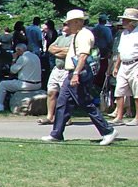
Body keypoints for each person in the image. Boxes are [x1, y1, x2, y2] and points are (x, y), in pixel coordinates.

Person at [41, 9, 116, 145]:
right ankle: (57, 133)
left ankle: (108, 131)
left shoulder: (84, 35)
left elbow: (83, 55)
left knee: (85, 103)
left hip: (78, 73)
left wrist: (76, 74)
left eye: (69, 23)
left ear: (78, 22)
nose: (67, 25)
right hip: (71, 73)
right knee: (62, 103)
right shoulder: (78, 34)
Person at [108, 7, 138, 125]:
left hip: (135, 63)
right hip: (124, 64)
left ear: (132, 21)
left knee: (136, 91)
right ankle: (119, 116)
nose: (123, 22)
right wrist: (116, 66)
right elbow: (120, 51)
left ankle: (136, 118)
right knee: (119, 90)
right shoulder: (124, 34)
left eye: (125, 19)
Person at [0, 43, 41, 111]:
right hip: (38, 84)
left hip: (26, 84)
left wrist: (14, 59)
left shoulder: (22, 58)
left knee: (3, 84)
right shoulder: (36, 56)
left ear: (19, 50)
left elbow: (12, 71)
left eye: (16, 51)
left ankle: (0, 105)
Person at [39, 21, 71, 125]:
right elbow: (50, 49)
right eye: (64, 24)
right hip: (57, 68)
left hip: (67, 69)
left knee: (64, 94)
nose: (64, 26)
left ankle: (66, 117)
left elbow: (71, 52)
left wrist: (59, 51)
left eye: (66, 24)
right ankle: (50, 116)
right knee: (51, 92)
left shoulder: (75, 38)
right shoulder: (60, 38)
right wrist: (62, 51)